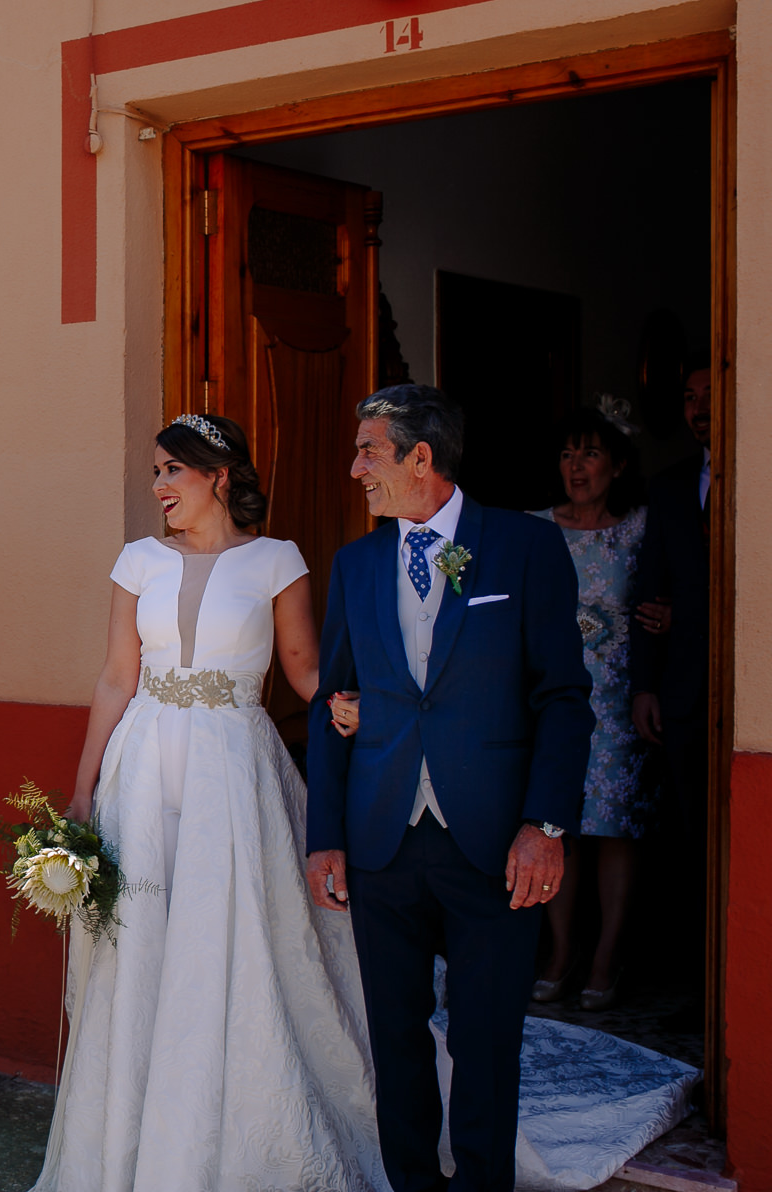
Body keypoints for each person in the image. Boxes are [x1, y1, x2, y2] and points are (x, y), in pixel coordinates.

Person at [30, 413, 386, 1189]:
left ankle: (227, 1137)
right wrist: (84, 791)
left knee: (230, 941)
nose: (158, 486)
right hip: (145, 764)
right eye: (155, 472)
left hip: (233, 768)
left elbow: (303, 672)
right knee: (142, 940)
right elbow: (117, 678)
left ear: (220, 477)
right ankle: (129, 1139)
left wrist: (365, 706)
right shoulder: (136, 562)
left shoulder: (276, 561)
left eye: (173, 471)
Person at [307, 385, 593, 1192]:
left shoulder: (525, 548)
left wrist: (546, 825)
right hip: (381, 840)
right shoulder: (356, 563)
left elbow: (563, 699)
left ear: (420, 458)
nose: (356, 467)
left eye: (370, 450)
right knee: (393, 1038)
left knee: (487, 1038)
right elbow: (333, 705)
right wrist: (325, 834)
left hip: (494, 839)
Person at [530, 401, 652, 1012]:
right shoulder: (532, 528)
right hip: (553, 699)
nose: (576, 466)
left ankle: (607, 955)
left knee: (615, 828)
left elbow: (680, 585)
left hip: (621, 703)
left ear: (619, 464)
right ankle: (560, 949)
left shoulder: (640, 531)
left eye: (591, 452)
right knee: (560, 824)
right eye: (567, 453)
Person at [630, 365, 712, 1027]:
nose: (699, 409)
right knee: (689, 841)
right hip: (680, 693)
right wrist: (646, 685)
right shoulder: (672, 486)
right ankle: (699, 990)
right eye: (690, 398)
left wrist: (690, 615)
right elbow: (650, 593)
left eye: (712, 395)